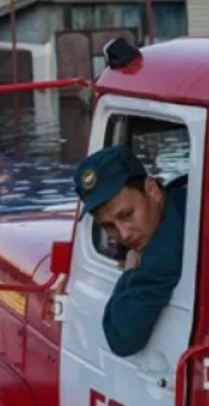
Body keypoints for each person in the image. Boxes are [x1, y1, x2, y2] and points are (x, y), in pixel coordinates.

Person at [73, 144, 187, 357]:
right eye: (108, 226)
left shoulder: (164, 253)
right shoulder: (182, 199)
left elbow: (121, 338)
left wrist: (130, 271)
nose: (123, 235)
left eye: (126, 215)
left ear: (152, 189)